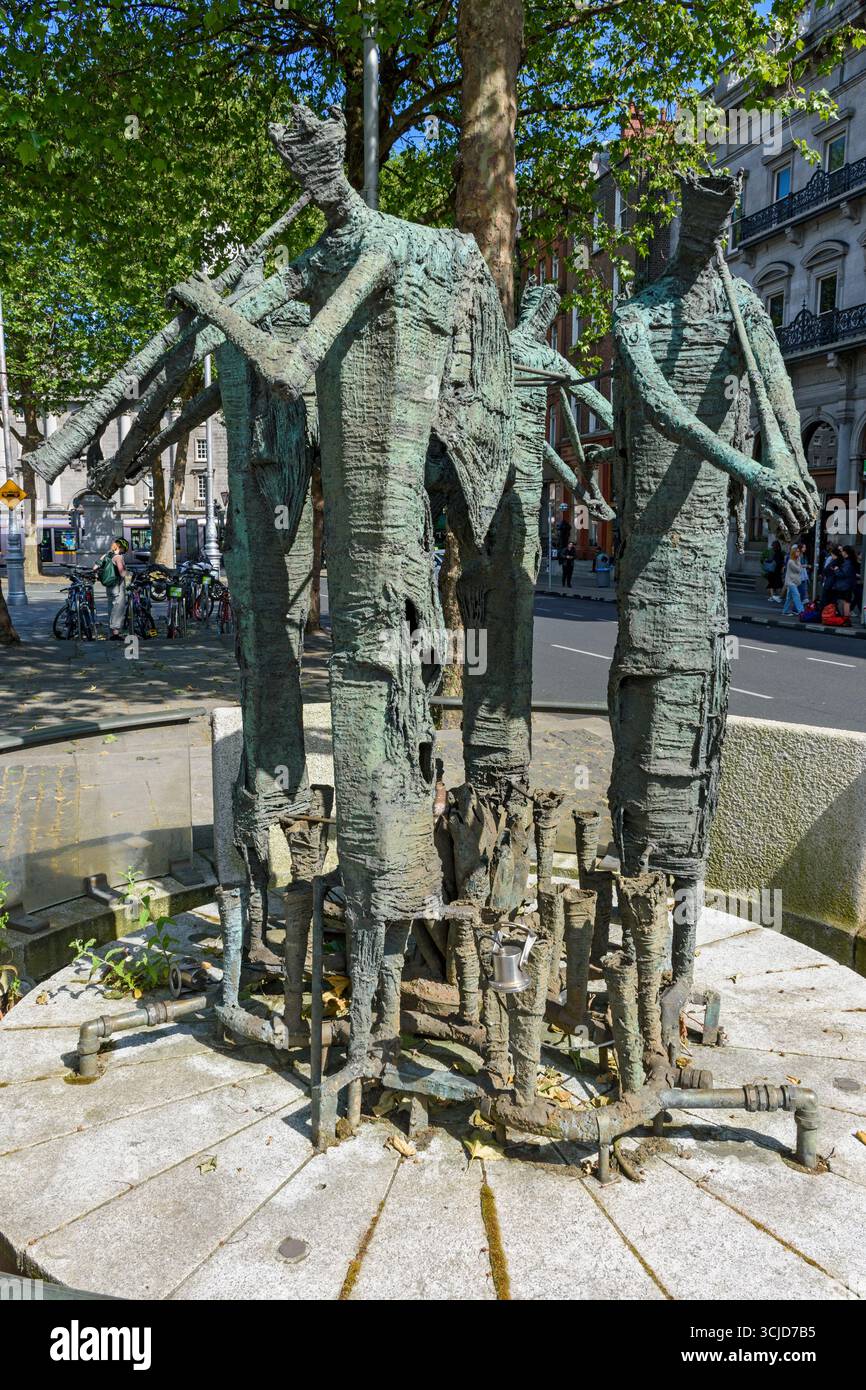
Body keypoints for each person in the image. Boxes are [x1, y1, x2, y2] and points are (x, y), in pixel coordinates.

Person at [99, 537, 129, 639]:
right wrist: (127, 573)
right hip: (118, 587)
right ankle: (115, 634)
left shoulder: (106, 555)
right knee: (118, 610)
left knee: (111, 609)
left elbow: (95, 567)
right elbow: (121, 573)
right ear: (121, 547)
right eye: (124, 549)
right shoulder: (118, 557)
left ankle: (111, 633)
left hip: (109, 587)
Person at [781, 543, 804, 615]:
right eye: (797, 551)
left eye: (799, 551)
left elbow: (799, 569)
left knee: (789, 597)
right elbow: (799, 570)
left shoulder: (796, 560)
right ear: (794, 552)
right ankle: (801, 611)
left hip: (793, 581)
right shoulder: (791, 562)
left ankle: (785, 611)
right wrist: (799, 562)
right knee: (797, 595)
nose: (798, 553)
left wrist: (798, 560)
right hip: (791, 582)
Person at [765, 536, 784, 602]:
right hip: (777, 571)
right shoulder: (780, 553)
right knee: (778, 584)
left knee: (772, 584)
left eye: (773, 546)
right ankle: (777, 596)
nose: (772, 547)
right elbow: (781, 562)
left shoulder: (774, 553)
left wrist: (767, 561)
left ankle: (773, 596)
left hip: (773, 571)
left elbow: (773, 561)